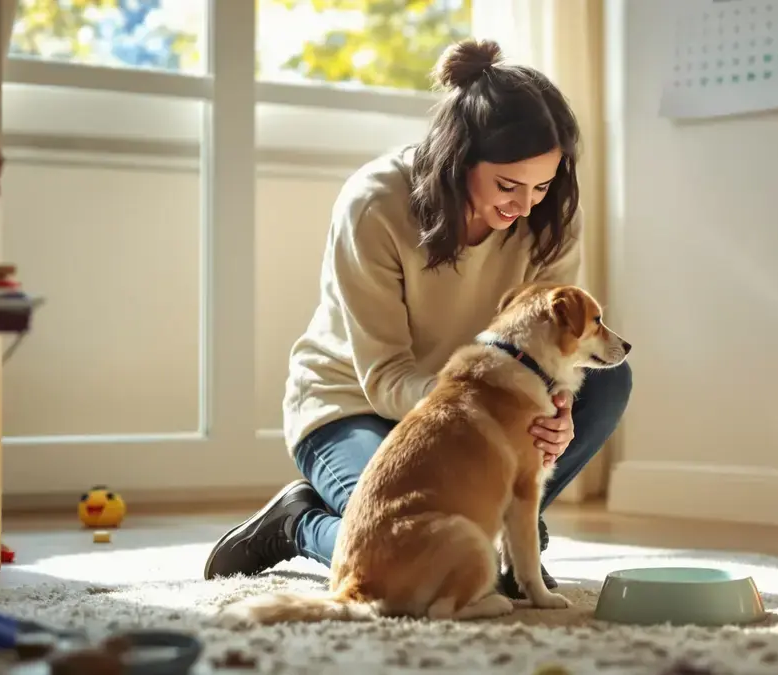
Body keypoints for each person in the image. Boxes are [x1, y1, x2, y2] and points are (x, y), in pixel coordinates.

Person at [203, 38, 632, 598]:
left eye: (542, 185)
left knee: (608, 379)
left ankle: (500, 534)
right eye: (507, 185)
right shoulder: (376, 202)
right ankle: (299, 522)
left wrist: (560, 411)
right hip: (353, 403)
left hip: (481, 405)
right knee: (393, 544)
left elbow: (562, 347)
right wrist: (473, 408)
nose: (524, 205)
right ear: (459, 159)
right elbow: (382, 378)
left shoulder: (549, 218)